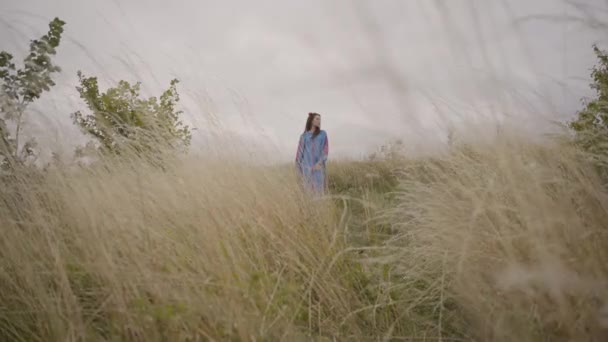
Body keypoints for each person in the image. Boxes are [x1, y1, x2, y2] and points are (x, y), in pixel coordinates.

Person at [295, 112, 329, 195]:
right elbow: (299, 154)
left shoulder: (323, 134)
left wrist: (320, 163)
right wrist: (298, 171)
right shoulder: (304, 136)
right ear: (311, 120)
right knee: (307, 193)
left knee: (319, 192)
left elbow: (325, 150)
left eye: (320, 119)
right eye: (317, 119)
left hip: (318, 168)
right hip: (306, 169)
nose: (319, 121)